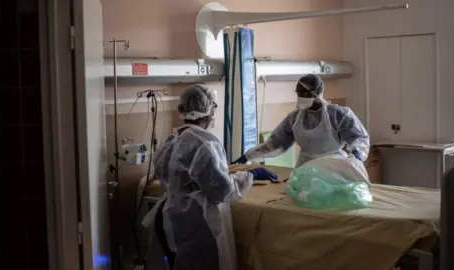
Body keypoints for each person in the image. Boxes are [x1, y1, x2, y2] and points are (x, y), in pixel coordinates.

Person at [141, 84, 278, 270]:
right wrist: (250, 175)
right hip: (194, 223)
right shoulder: (204, 142)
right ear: (208, 112)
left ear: (182, 109)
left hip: (168, 216)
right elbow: (222, 191)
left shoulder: (172, 140)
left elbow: (171, 175)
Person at [233, 74, 370, 167]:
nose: (301, 97)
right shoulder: (294, 118)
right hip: (305, 167)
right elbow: (275, 143)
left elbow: (359, 138)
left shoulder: (338, 115)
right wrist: (249, 155)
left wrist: (357, 153)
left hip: (333, 166)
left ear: (316, 92)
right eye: (298, 93)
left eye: (304, 93)